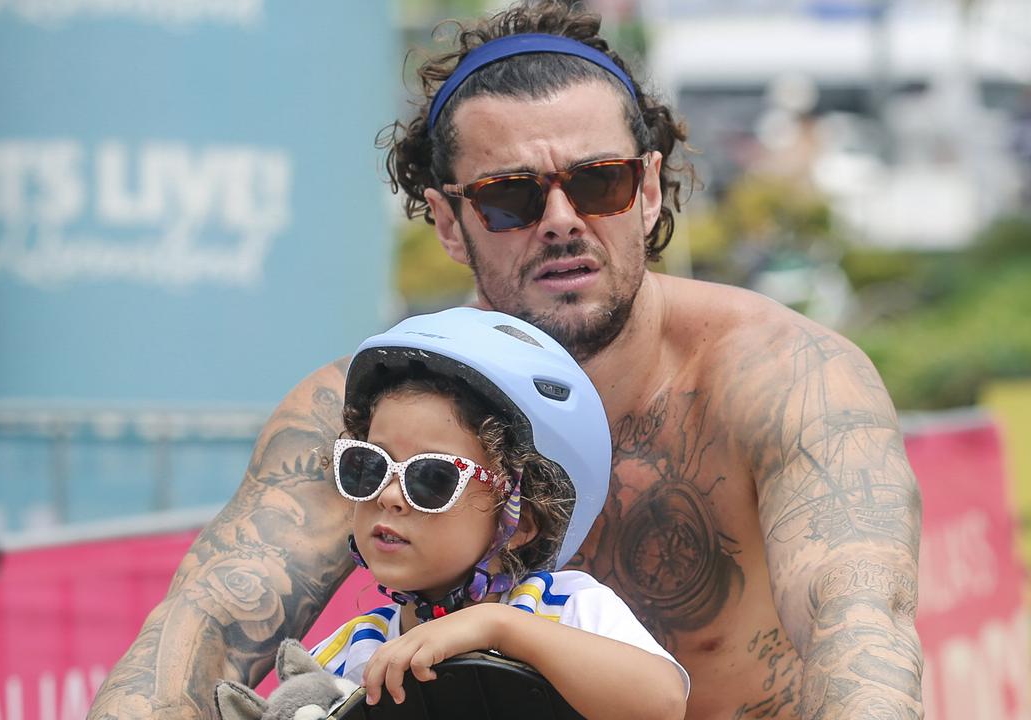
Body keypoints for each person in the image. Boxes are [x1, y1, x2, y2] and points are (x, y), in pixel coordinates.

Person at [89, 3, 923, 719]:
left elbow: (864, 638)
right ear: (449, 222)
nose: (561, 220)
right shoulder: (367, 408)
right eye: (510, 197)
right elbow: (193, 638)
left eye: (597, 182)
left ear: (649, 190)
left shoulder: (787, 379)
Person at [309, 307, 687, 718]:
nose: (389, 496)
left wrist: (497, 626)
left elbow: (662, 703)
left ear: (522, 519)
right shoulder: (347, 654)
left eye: (432, 477)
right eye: (369, 466)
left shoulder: (567, 608)